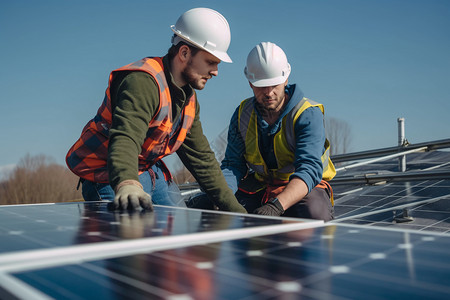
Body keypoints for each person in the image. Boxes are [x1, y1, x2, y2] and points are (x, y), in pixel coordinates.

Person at [66, 8, 246, 213]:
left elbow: (202, 159)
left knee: (175, 229)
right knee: (133, 231)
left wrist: (238, 212)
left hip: (149, 170)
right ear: (184, 53)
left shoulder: (189, 100)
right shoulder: (143, 82)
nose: (215, 72)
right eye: (211, 62)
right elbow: (126, 137)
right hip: (109, 171)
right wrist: (127, 183)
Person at [220, 42, 336, 221]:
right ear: (250, 83)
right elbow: (233, 165)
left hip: (302, 186)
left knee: (314, 213)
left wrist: (276, 205)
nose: (268, 92)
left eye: (274, 84)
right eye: (261, 85)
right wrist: (221, 196)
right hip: (261, 186)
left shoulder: (306, 114)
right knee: (224, 211)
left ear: (286, 79)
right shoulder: (242, 114)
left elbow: (309, 169)